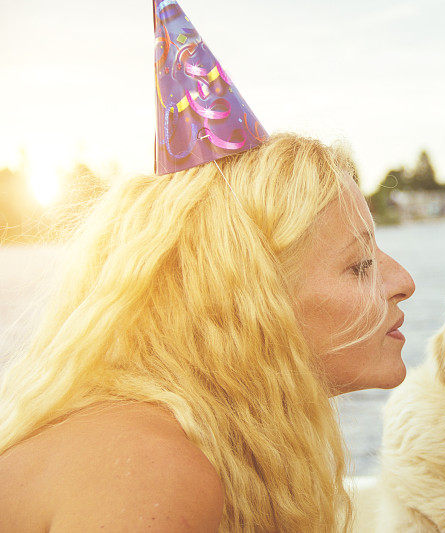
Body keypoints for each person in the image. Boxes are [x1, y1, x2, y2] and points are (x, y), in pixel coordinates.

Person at [0, 133, 415, 532]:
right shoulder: (150, 467)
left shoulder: (202, 445)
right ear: (247, 301)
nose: (404, 281)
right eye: (361, 264)